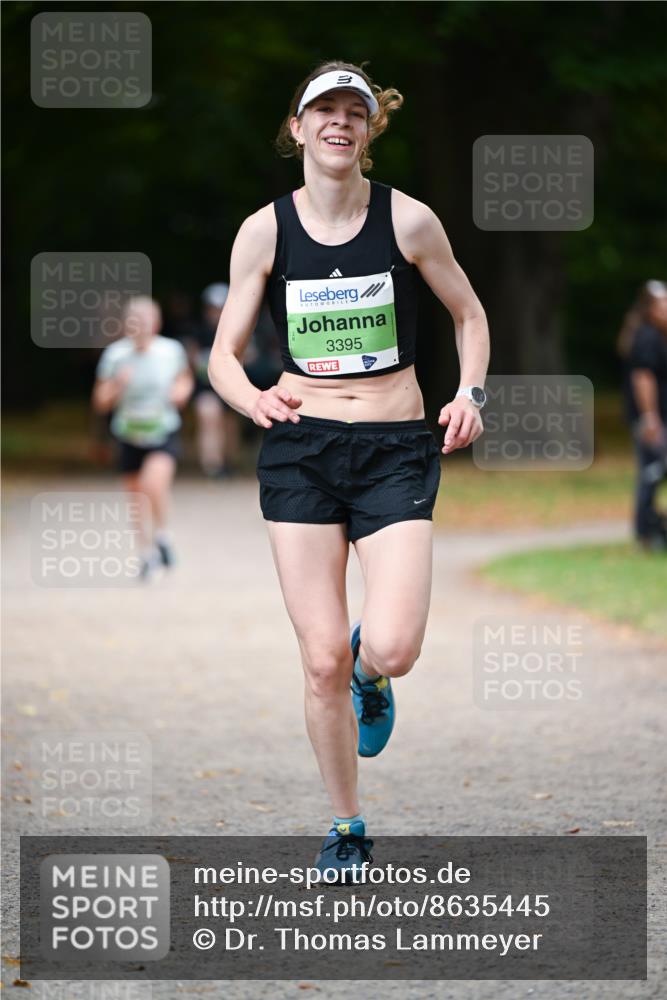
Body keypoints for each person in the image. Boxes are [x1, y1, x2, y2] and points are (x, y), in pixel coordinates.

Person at [208, 61, 490, 878]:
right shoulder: (265, 230)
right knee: (319, 655)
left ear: (369, 131)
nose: (337, 122)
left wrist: (469, 391)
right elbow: (225, 356)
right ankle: (345, 825)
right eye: (321, 111)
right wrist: (251, 399)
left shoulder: (408, 221)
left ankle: (376, 674)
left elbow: (469, 315)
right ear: (296, 128)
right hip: (301, 450)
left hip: (395, 448)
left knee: (390, 647)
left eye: (352, 112)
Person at [92, 295, 193, 579]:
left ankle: (162, 534)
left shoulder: (171, 351)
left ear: (156, 323)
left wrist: (181, 392)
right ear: (126, 325)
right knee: (136, 498)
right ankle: (146, 554)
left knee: (154, 484)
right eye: (135, 322)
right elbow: (100, 402)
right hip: (128, 434)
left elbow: (184, 379)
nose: (141, 327)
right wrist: (116, 385)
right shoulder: (114, 355)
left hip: (163, 430)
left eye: (146, 320)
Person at [618, 280, 667, 551]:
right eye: (662, 304)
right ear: (649, 309)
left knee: (652, 472)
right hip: (652, 421)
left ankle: (650, 529)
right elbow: (642, 378)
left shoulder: (657, 334)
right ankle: (647, 532)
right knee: (652, 472)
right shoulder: (647, 336)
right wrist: (650, 417)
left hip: (657, 419)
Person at [184, 283, 241, 479]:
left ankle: (227, 463)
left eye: (220, 308)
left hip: (232, 387)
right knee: (209, 417)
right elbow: (190, 362)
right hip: (205, 388)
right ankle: (213, 467)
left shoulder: (238, 330)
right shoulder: (196, 331)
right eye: (212, 308)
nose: (215, 312)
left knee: (230, 427)